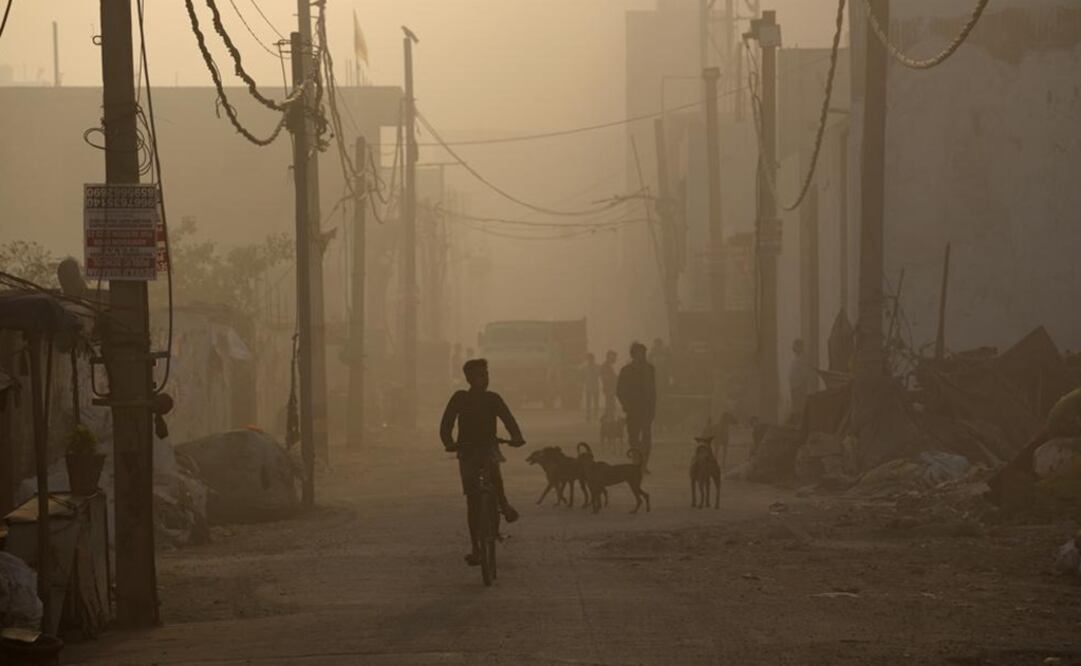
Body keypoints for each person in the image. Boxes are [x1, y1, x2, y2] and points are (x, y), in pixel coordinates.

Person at [439, 358, 526, 567]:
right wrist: (449, 443)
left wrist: (516, 437)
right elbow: (446, 425)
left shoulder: (493, 399)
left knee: (495, 476)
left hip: (488, 447)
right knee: (472, 500)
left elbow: (509, 419)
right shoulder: (459, 398)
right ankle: (476, 549)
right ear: (469, 378)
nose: (485, 378)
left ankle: (503, 504)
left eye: (486, 374)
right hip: (467, 451)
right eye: (480, 375)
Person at [617, 342, 656, 471]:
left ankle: (643, 464)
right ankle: (636, 461)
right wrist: (625, 404)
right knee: (633, 437)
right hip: (633, 409)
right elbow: (619, 390)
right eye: (640, 353)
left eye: (644, 353)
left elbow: (653, 390)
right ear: (633, 355)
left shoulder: (650, 369)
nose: (643, 356)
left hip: (647, 409)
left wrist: (653, 407)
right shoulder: (626, 370)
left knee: (646, 437)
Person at [788, 338, 818, 424]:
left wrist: (800, 384)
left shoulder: (803, 358)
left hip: (799, 386)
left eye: (796, 346)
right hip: (794, 386)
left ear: (800, 347)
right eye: (794, 346)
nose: (794, 348)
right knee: (796, 406)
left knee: (800, 406)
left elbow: (805, 373)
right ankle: (797, 423)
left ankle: (800, 423)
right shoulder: (796, 358)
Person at [599, 350, 618, 418]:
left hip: (610, 388)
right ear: (610, 357)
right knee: (610, 403)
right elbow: (606, 377)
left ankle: (609, 417)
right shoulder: (605, 366)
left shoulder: (608, 366)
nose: (615, 359)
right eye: (614, 357)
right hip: (609, 388)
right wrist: (615, 378)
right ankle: (609, 418)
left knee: (610, 403)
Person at [583, 352, 600, 421]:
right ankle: (589, 415)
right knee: (589, 403)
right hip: (589, 387)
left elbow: (598, 375)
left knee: (595, 403)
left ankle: (595, 415)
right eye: (589, 359)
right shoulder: (585, 368)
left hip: (594, 387)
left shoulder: (597, 367)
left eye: (591, 359)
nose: (590, 360)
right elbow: (583, 377)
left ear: (593, 359)